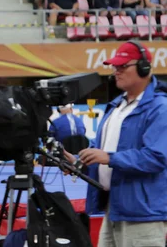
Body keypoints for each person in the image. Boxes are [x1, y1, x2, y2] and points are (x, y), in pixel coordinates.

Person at [65, 41, 167, 247]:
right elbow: (99, 149)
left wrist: (109, 157)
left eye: (122, 66)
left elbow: (157, 157)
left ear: (143, 68)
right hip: (114, 206)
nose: (115, 71)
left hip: (142, 211)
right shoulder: (116, 107)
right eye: (114, 67)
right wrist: (78, 161)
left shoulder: (160, 108)